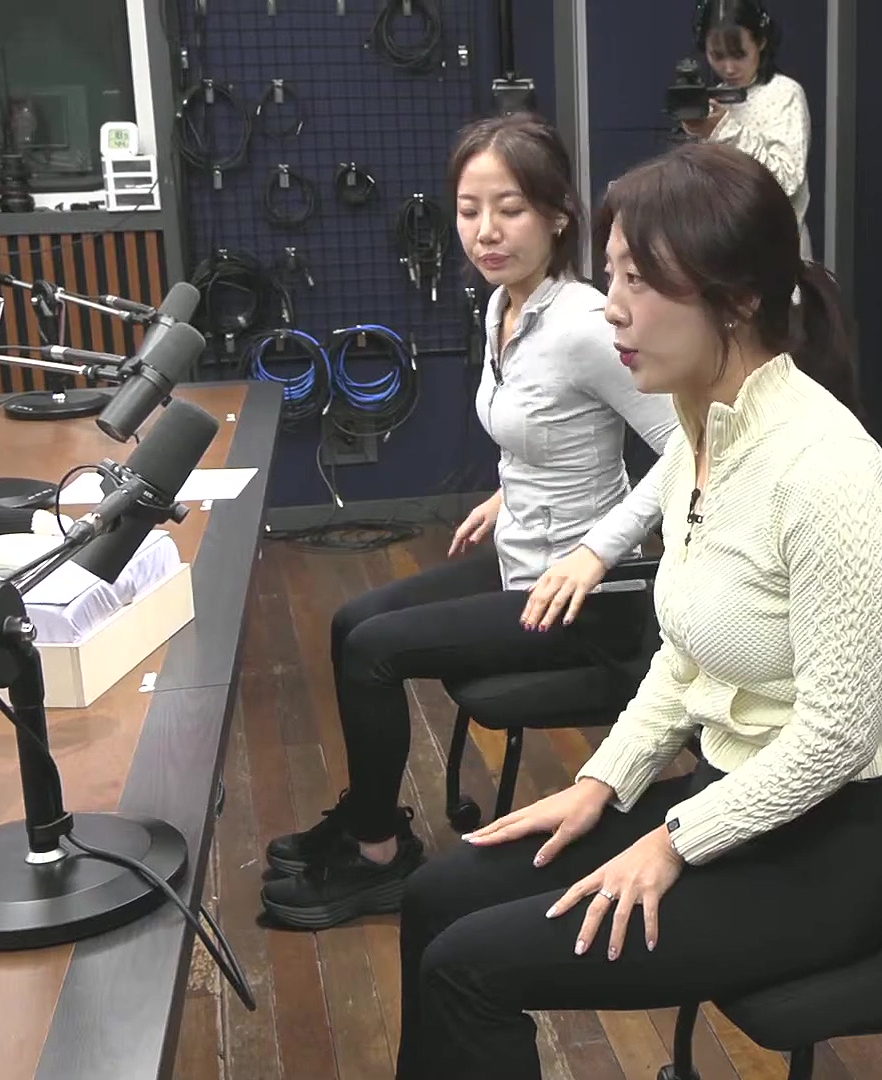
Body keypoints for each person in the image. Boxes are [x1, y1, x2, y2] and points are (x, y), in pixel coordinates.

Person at [391, 141, 882, 1079]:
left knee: (468, 968)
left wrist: (675, 838)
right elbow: (683, 657)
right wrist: (602, 783)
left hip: (831, 842)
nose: (612, 307)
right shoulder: (696, 432)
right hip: (731, 794)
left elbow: (836, 739)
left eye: (639, 281)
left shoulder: (826, 472)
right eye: (611, 275)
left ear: (737, 300)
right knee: (435, 898)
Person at [258, 113, 679, 931]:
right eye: (468, 209)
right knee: (351, 622)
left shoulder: (588, 325)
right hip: (523, 555)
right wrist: (505, 492)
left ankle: (377, 858)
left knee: (375, 652)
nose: (486, 231)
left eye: (510, 209)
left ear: (558, 215)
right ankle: (369, 813)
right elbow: (544, 434)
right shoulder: (501, 307)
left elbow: (690, 447)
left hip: (587, 599)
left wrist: (598, 553)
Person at [681, 0, 813, 259]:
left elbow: (786, 182)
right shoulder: (711, 101)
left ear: (761, 42)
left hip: (774, 253)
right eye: (717, 56)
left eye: (739, 54)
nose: (729, 68)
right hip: (720, 250)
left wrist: (724, 130)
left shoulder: (784, 93)